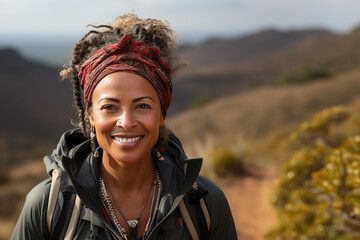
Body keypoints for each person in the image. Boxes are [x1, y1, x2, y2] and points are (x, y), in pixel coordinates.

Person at [11, 14, 237, 240]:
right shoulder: (48, 206)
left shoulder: (203, 204)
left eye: (142, 106)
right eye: (110, 107)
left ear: (162, 114)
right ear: (91, 115)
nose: (126, 122)